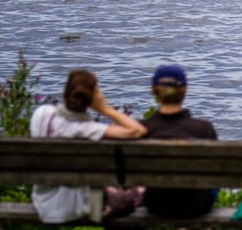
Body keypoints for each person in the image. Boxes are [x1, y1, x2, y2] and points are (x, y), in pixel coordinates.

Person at [29, 69, 146, 224]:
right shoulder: (88, 129)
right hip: (71, 208)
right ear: (92, 100)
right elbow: (137, 130)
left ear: (65, 92)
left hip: (42, 202)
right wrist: (104, 109)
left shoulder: (42, 113)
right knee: (137, 192)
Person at [137, 64, 220, 219]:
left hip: (155, 204)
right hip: (197, 205)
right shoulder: (204, 129)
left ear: (153, 90)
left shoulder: (142, 129)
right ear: (185, 90)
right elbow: (216, 173)